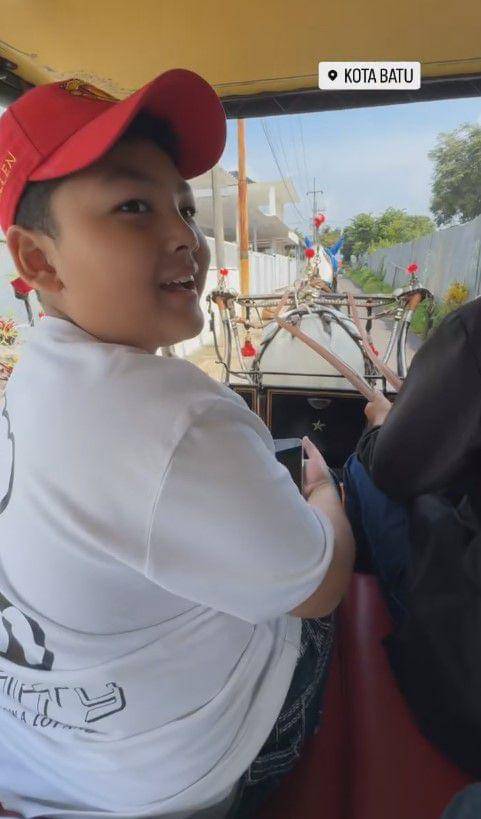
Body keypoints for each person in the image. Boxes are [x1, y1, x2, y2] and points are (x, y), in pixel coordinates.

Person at [0, 71, 354, 819]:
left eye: (185, 208)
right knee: (360, 542)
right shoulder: (179, 418)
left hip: (42, 761)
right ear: (37, 261)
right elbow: (318, 588)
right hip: (175, 783)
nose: (186, 237)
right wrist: (327, 496)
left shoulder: (29, 381)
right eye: (134, 206)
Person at [342, 295, 481, 777]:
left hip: (466, 680)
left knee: (360, 467)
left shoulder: (472, 332)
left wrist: (382, 423)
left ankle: (358, 607)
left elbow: (393, 469)